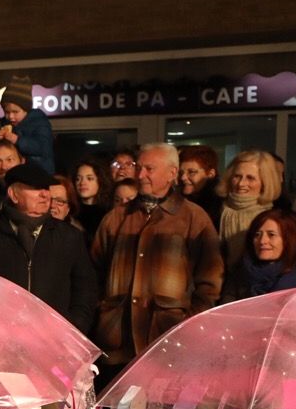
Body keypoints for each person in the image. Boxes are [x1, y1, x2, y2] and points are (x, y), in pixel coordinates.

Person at [89, 143, 224, 369]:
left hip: (168, 343)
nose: (141, 175)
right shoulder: (116, 218)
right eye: (139, 168)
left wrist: (188, 321)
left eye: (149, 169)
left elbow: (210, 280)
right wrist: (105, 314)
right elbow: (94, 271)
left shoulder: (194, 218)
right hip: (118, 345)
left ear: (172, 173)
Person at [0, 163, 95, 334]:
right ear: (14, 195)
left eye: (46, 188)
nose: (45, 195)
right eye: (36, 188)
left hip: (55, 341)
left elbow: (85, 289)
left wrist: (74, 328)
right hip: (0, 342)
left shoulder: (69, 237)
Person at [221, 207, 296, 301]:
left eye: (271, 235)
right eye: (257, 235)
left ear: (288, 239)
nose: (262, 241)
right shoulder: (240, 273)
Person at [216, 150, 283, 265]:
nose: (241, 184)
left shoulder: (275, 219)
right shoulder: (216, 212)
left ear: (265, 182)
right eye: (237, 176)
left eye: (250, 178)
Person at [0, 77, 55, 173]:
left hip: (39, 173)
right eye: (7, 112)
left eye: (15, 112)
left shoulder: (39, 121)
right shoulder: (5, 123)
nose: (10, 116)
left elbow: (43, 148)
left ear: (26, 110)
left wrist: (17, 140)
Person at [177, 144, 223, 226]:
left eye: (191, 172)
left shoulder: (221, 207)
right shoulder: (177, 199)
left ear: (210, 174)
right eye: (181, 172)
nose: (183, 177)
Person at [72, 158, 113, 235]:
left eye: (89, 178)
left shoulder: (108, 213)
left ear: (100, 181)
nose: (82, 183)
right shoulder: (71, 211)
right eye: (78, 179)